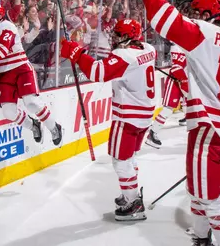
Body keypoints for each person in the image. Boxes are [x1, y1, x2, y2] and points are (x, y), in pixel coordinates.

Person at [130, 0, 220, 246]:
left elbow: (161, 17)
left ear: (208, 14)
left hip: (209, 130)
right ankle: (201, 236)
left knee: (212, 199)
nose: (194, 16)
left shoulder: (204, 34)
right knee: (200, 190)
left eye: (197, 11)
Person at [60, 18, 156, 222]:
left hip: (128, 117)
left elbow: (97, 72)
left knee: (121, 161)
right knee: (129, 157)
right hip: (145, 115)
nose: (115, 39)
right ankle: (132, 193)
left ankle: (134, 204)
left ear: (128, 38)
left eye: (119, 35)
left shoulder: (125, 54)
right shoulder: (148, 48)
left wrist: (77, 54)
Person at [0, 3, 62, 146]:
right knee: (9, 112)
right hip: (4, 74)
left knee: (32, 103)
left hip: (20, 68)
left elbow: (1, 51)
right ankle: (33, 125)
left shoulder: (7, 26)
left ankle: (54, 127)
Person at [146, 41, 188, 149]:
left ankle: (189, 122)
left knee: (189, 104)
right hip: (175, 80)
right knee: (168, 108)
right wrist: (184, 81)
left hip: (186, 80)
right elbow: (176, 68)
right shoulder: (177, 47)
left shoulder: (187, 45)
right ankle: (152, 133)